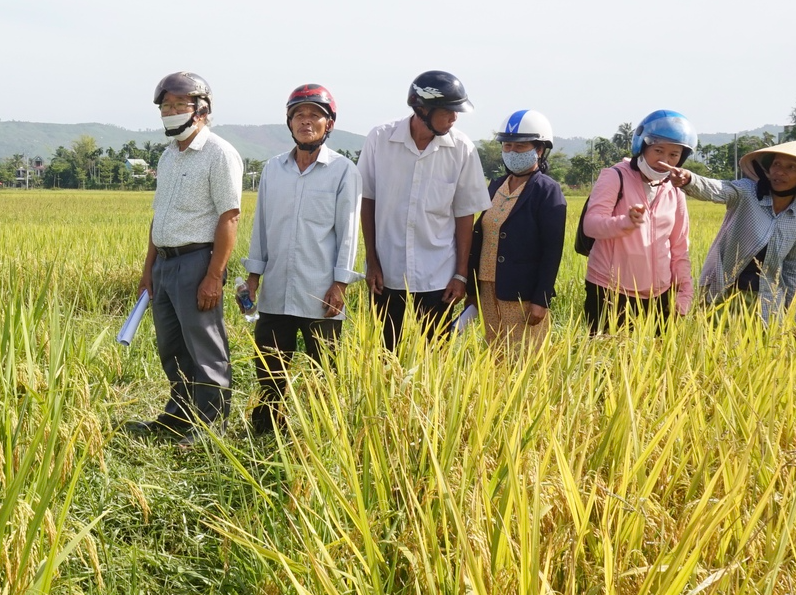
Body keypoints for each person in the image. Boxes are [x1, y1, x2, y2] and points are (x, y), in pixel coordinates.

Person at [127, 71, 244, 442]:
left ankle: (211, 428)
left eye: (180, 105)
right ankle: (179, 416)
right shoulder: (167, 156)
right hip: (164, 263)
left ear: (202, 110)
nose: (171, 111)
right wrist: (148, 270)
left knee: (205, 347)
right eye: (166, 106)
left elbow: (229, 216)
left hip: (197, 262)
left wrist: (214, 275)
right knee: (172, 346)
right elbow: (158, 216)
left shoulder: (219, 153)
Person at [242, 83, 360, 435]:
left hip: (320, 291)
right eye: (299, 115)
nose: (306, 121)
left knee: (324, 368)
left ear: (329, 124)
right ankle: (266, 429)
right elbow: (261, 224)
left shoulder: (343, 171)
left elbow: (349, 232)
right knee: (269, 365)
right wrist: (253, 277)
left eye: (315, 115)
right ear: (289, 122)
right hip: (276, 288)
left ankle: (324, 433)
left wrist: (339, 284)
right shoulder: (273, 169)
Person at [359, 70, 492, 346]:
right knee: (384, 352)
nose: (454, 118)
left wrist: (461, 274)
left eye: (457, 112)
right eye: (447, 111)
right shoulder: (380, 140)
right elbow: (367, 200)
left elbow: (465, 215)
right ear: (421, 109)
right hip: (387, 271)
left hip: (438, 275)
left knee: (435, 355)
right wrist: (372, 259)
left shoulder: (461, 149)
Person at [672, 138, 796, 321]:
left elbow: (794, 269)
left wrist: (793, 314)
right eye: (776, 164)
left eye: (791, 167)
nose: (780, 172)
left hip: (765, 302)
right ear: (768, 169)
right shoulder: (747, 192)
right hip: (722, 290)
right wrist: (690, 179)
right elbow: (719, 189)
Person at [581, 109, 696, 331]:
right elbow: (591, 224)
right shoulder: (615, 176)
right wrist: (624, 223)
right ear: (642, 146)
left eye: (674, 154)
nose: (664, 160)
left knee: (653, 362)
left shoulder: (675, 191)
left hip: (659, 294)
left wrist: (684, 292)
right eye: (658, 150)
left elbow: (679, 247)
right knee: (608, 360)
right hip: (611, 290)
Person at [466, 109, 567, 351]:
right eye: (507, 146)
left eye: (520, 147)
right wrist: (472, 288)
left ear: (539, 150)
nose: (511, 152)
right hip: (488, 286)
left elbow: (552, 250)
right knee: (494, 352)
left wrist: (541, 299)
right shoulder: (497, 184)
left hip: (522, 293)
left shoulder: (547, 191)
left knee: (522, 358)